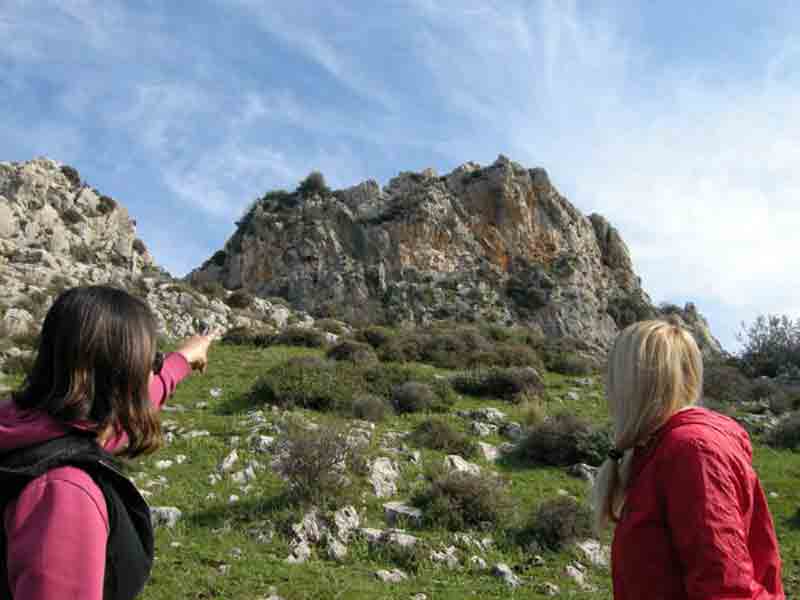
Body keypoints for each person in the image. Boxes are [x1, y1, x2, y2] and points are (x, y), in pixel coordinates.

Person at [0, 285, 214, 600]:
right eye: (151, 361)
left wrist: (182, 360)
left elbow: (121, 418)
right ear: (122, 378)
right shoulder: (64, 494)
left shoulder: (32, 431)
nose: (155, 370)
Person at [593, 319, 784, 599]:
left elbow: (726, 590)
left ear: (634, 381)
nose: (607, 387)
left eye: (612, 375)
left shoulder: (692, 452)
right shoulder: (658, 450)